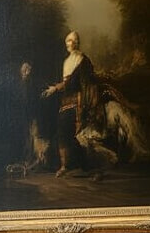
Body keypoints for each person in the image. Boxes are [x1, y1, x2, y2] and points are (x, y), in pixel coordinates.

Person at [42, 30, 105, 175]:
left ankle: (94, 167)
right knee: (62, 131)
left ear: (77, 42)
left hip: (80, 99)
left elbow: (77, 82)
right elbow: (66, 82)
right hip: (66, 101)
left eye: (70, 41)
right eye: (67, 41)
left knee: (81, 134)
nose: (68, 44)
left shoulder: (83, 60)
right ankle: (65, 166)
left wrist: (56, 88)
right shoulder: (66, 61)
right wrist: (57, 88)